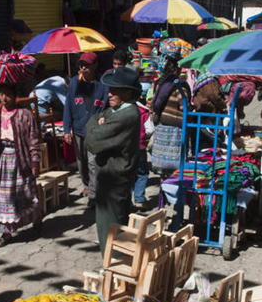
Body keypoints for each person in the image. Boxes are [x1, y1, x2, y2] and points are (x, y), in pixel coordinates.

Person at [86, 66, 141, 253]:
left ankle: (114, 268)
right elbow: (94, 119)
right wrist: (96, 124)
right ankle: (113, 266)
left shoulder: (128, 114)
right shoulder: (116, 111)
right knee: (108, 227)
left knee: (111, 230)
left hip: (114, 180)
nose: (109, 94)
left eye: (114, 90)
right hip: (109, 178)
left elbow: (92, 141)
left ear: (127, 92)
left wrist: (96, 125)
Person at [0, 84, 41, 247]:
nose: (4, 98)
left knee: (26, 192)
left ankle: (36, 219)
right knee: (0, 197)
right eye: (1, 94)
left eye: (8, 94)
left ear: (15, 95)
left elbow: (33, 139)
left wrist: (35, 161)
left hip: (19, 159)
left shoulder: (25, 115)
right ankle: (6, 233)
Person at [63, 52, 108, 207]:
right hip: (78, 129)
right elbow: (68, 106)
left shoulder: (102, 84)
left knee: (92, 162)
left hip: (94, 130)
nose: (83, 68)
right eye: (81, 65)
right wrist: (66, 128)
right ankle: (87, 185)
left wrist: (104, 119)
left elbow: (106, 107)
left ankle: (93, 196)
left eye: (86, 65)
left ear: (95, 66)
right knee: (81, 162)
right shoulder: (74, 83)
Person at [151, 55, 188, 180]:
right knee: (175, 166)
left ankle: (163, 191)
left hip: (161, 125)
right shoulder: (180, 85)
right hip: (175, 128)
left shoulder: (159, 82)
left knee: (162, 166)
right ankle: (172, 192)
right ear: (177, 70)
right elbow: (184, 106)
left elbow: (153, 101)